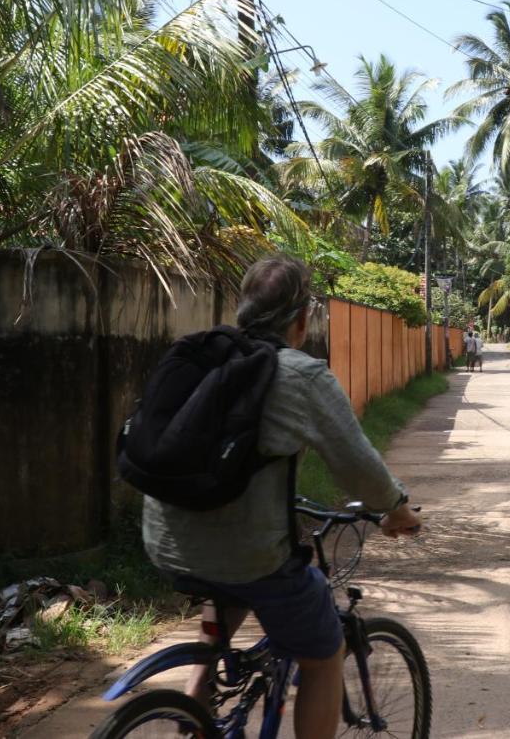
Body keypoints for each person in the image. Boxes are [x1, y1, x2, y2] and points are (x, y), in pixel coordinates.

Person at [141, 254, 422, 739]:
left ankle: (196, 708)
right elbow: (358, 465)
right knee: (323, 652)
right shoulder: (301, 375)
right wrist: (394, 509)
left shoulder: (204, 352)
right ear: (301, 319)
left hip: (163, 540)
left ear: (244, 308)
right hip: (246, 554)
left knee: (228, 588)